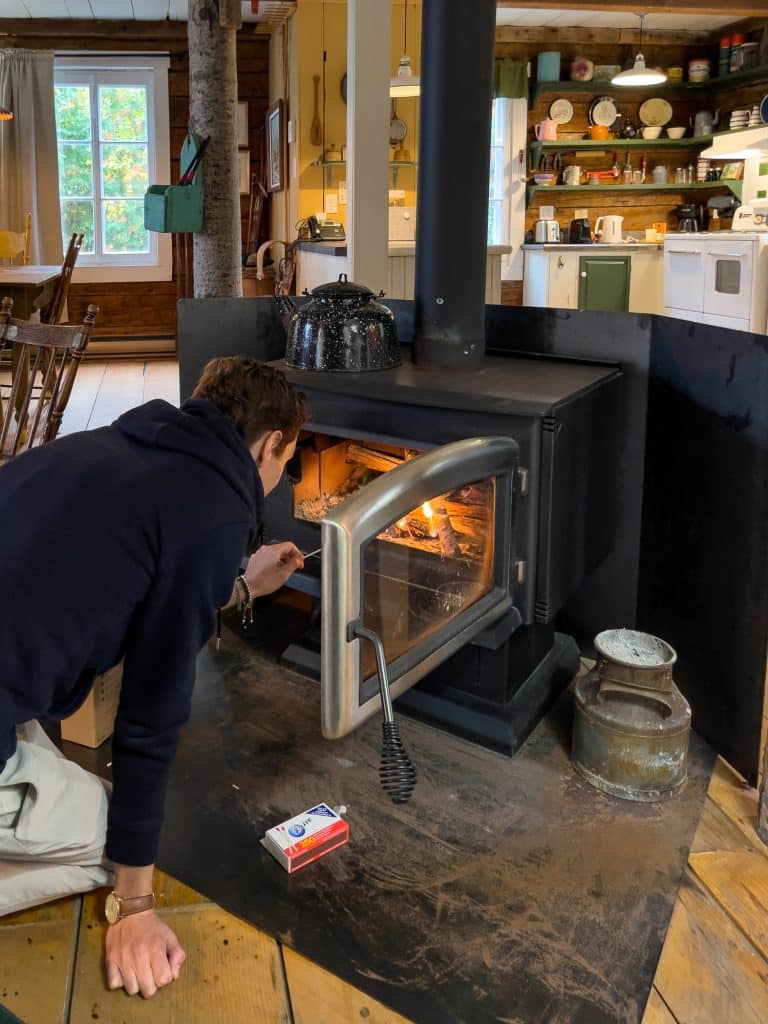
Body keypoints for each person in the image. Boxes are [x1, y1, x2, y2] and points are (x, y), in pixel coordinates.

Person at [0, 355, 307, 998]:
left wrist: (242, 585)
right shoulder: (217, 513)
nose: (281, 479)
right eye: (287, 463)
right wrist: (135, 904)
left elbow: (147, 589)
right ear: (271, 443)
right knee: (109, 833)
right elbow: (150, 714)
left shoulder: (114, 446)